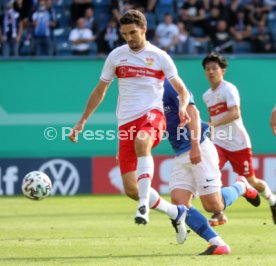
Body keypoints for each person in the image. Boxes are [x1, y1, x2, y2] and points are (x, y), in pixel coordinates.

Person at [69, 10, 189, 243]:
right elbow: (100, 91)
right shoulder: (116, 56)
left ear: (144, 29)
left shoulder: (160, 56)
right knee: (131, 189)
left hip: (152, 115)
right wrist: (82, 121)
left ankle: (143, 206)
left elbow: (182, 91)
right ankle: (176, 212)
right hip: (126, 124)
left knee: (142, 142)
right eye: (125, 34)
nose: (129, 38)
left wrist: (182, 107)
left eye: (133, 32)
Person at [163, 79, 260, 255]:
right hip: (179, 152)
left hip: (198, 147)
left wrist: (194, 146)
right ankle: (217, 243)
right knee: (179, 203)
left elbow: (193, 111)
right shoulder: (146, 93)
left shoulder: (169, 84)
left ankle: (242, 186)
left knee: (214, 206)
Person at [202, 52, 276, 225]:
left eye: (214, 68)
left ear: (223, 70)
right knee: (210, 173)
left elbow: (235, 113)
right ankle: (219, 213)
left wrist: (213, 124)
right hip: (219, 142)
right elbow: (211, 118)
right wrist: (210, 137)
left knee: (252, 180)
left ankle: (272, 200)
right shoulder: (207, 95)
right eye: (207, 69)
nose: (211, 72)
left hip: (238, 143)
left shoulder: (229, 89)